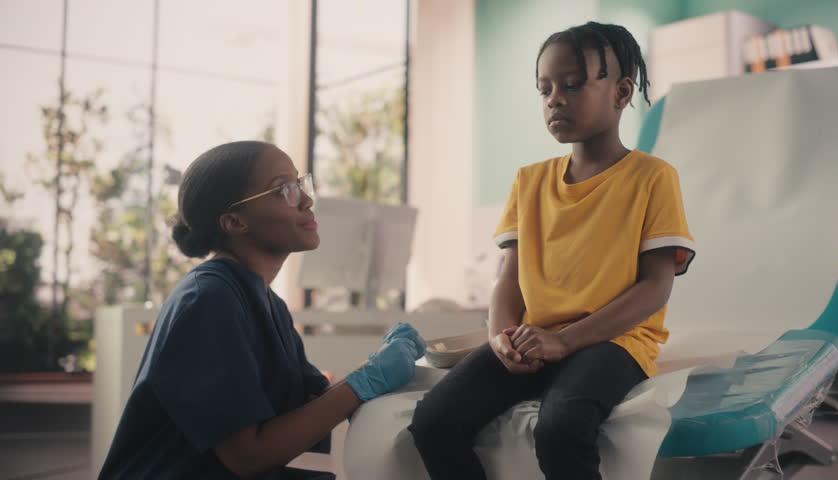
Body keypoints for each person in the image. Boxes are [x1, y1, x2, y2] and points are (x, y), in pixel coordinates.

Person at [408, 22, 695, 480]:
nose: (554, 99)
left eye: (573, 84)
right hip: (532, 338)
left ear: (622, 93)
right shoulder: (529, 181)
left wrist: (564, 341)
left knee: (560, 428)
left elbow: (655, 286)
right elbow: (509, 277)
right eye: (545, 89)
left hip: (613, 342)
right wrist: (502, 337)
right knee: (433, 421)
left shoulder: (653, 177)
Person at [99, 141, 425, 479]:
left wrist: (374, 369)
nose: (307, 200)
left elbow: (310, 404)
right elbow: (247, 456)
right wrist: (366, 381)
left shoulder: (266, 302)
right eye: (284, 190)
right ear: (234, 222)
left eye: (300, 184)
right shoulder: (208, 300)